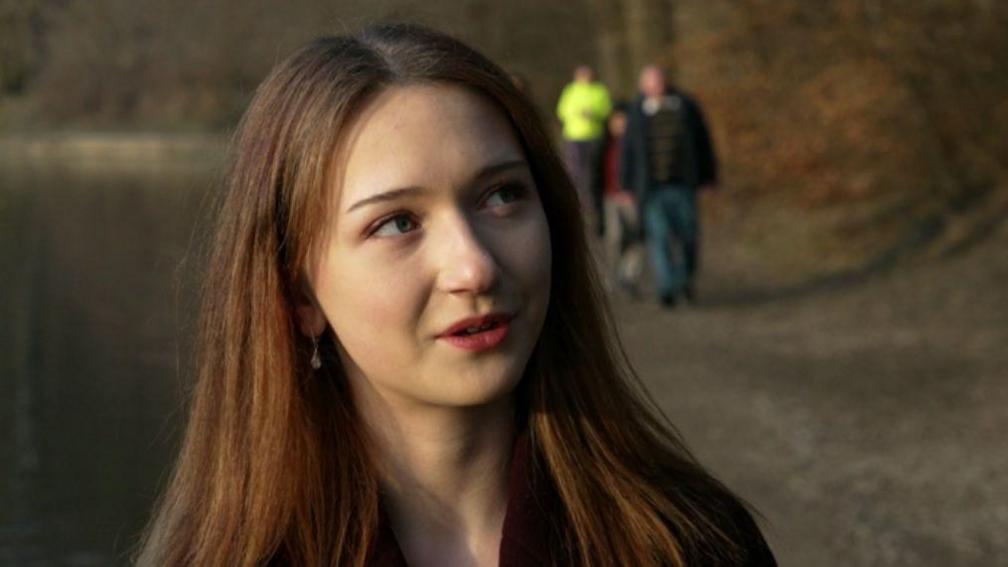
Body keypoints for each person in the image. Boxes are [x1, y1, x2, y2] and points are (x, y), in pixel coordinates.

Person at [138, 24, 774, 566]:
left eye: (501, 196)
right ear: (297, 296)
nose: (473, 266)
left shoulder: (692, 544)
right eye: (397, 223)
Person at [620, 64, 718, 308]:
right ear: (643, 86)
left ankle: (685, 278)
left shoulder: (685, 106)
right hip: (651, 188)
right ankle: (667, 288)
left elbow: (703, 142)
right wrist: (626, 185)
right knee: (659, 237)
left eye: (660, 80)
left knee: (688, 235)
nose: (657, 85)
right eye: (651, 81)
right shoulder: (636, 112)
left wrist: (708, 177)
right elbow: (628, 151)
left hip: (683, 184)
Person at [555, 65, 611, 236]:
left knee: (592, 175)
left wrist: (592, 113)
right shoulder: (570, 91)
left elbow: (606, 110)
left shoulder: (599, 90)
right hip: (574, 136)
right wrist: (577, 113)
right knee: (575, 174)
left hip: (593, 136)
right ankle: (579, 210)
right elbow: (562, 111)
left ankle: (594, 213)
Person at [602, 103, 644, 298]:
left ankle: (630, 276)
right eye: (616, 121)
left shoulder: (638, 144)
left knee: (636, 239)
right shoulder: (604, 145)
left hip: (632, 198)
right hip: (610, 197)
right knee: (615, 238)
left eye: (623, 121)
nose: (619, 125)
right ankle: (615, 276)